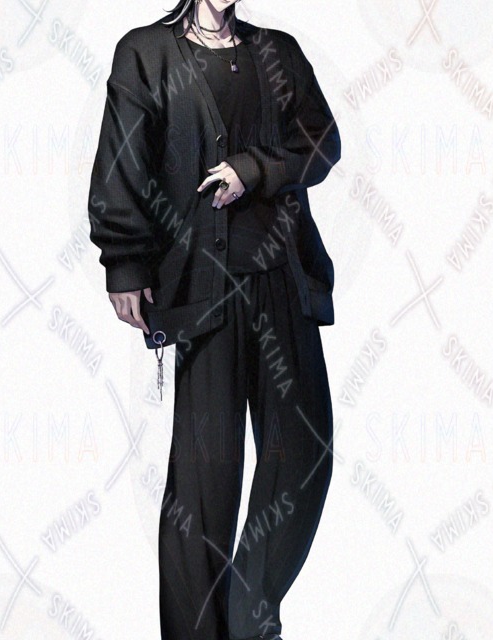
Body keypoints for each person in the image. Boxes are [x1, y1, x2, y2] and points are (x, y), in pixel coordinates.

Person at [87, 1, 341, 638]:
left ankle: (248, 618)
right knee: (207, 482)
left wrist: (254, 170)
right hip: (204, 288)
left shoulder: (277, 51)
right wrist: (124, 261)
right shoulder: (146, 53)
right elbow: (122, 159)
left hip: (282, 279)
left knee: (304, 455)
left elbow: (322, 142)